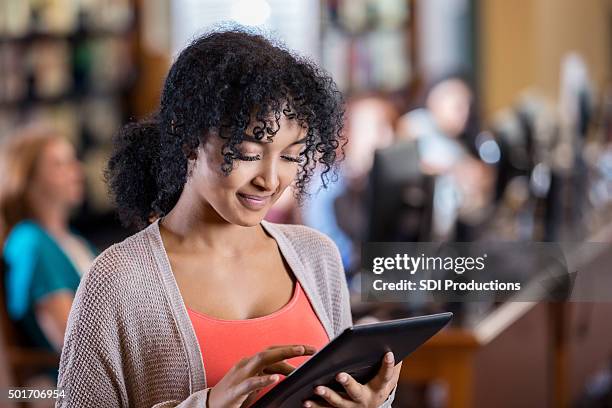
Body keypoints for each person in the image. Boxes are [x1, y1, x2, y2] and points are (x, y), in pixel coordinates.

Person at [56, 29, 401, 408]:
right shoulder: (117, 282)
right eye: (249, 153)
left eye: (290, 156)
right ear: (188, 138)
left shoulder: (316, 256)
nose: (270, 180)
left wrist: (368, 403)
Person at [0, 125, 96, 354]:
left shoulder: (73, 240)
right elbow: (71, 343)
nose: (77, 170)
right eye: (59, 164)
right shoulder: (30, 242)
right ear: (28, 179)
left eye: (74, 160)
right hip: (72, 383)